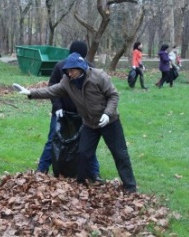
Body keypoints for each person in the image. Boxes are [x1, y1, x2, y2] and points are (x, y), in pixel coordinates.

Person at [13, 52, 137, 193]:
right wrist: (30, 92)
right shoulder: (67, 82)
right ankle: (82, 183)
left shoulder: (99, 76)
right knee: (83, 153)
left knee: (120, 154)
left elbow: (113, 95)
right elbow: (52, 91)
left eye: (72, 70)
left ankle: (130, 187)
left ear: (81, 68)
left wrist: (108, 114)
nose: (69, 74)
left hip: (109, 122)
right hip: (89, 124)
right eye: (67, 71)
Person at [37, 41, 102, 183]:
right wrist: (58, 106)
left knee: (87, 142)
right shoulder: (61, 66)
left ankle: (94, 172)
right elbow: (52, 87)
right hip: (61, 111)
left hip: (82, 113)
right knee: (54, 138)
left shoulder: (90, 68)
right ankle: (41, 169)